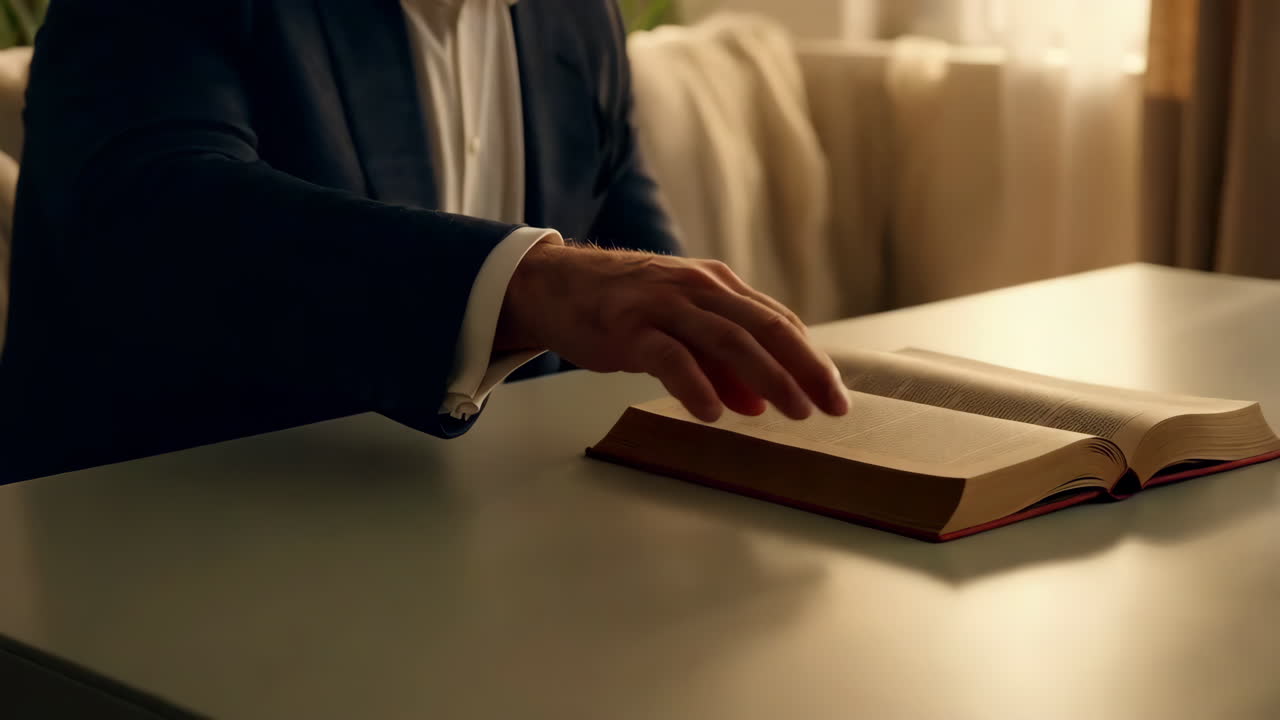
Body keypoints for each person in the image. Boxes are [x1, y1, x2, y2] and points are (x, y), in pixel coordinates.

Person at [0, 0, 847, 484]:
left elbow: (633, 276)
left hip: (490, 565)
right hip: (154, 568)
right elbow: (150, 217)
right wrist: (531, 285)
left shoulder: (577, 19)